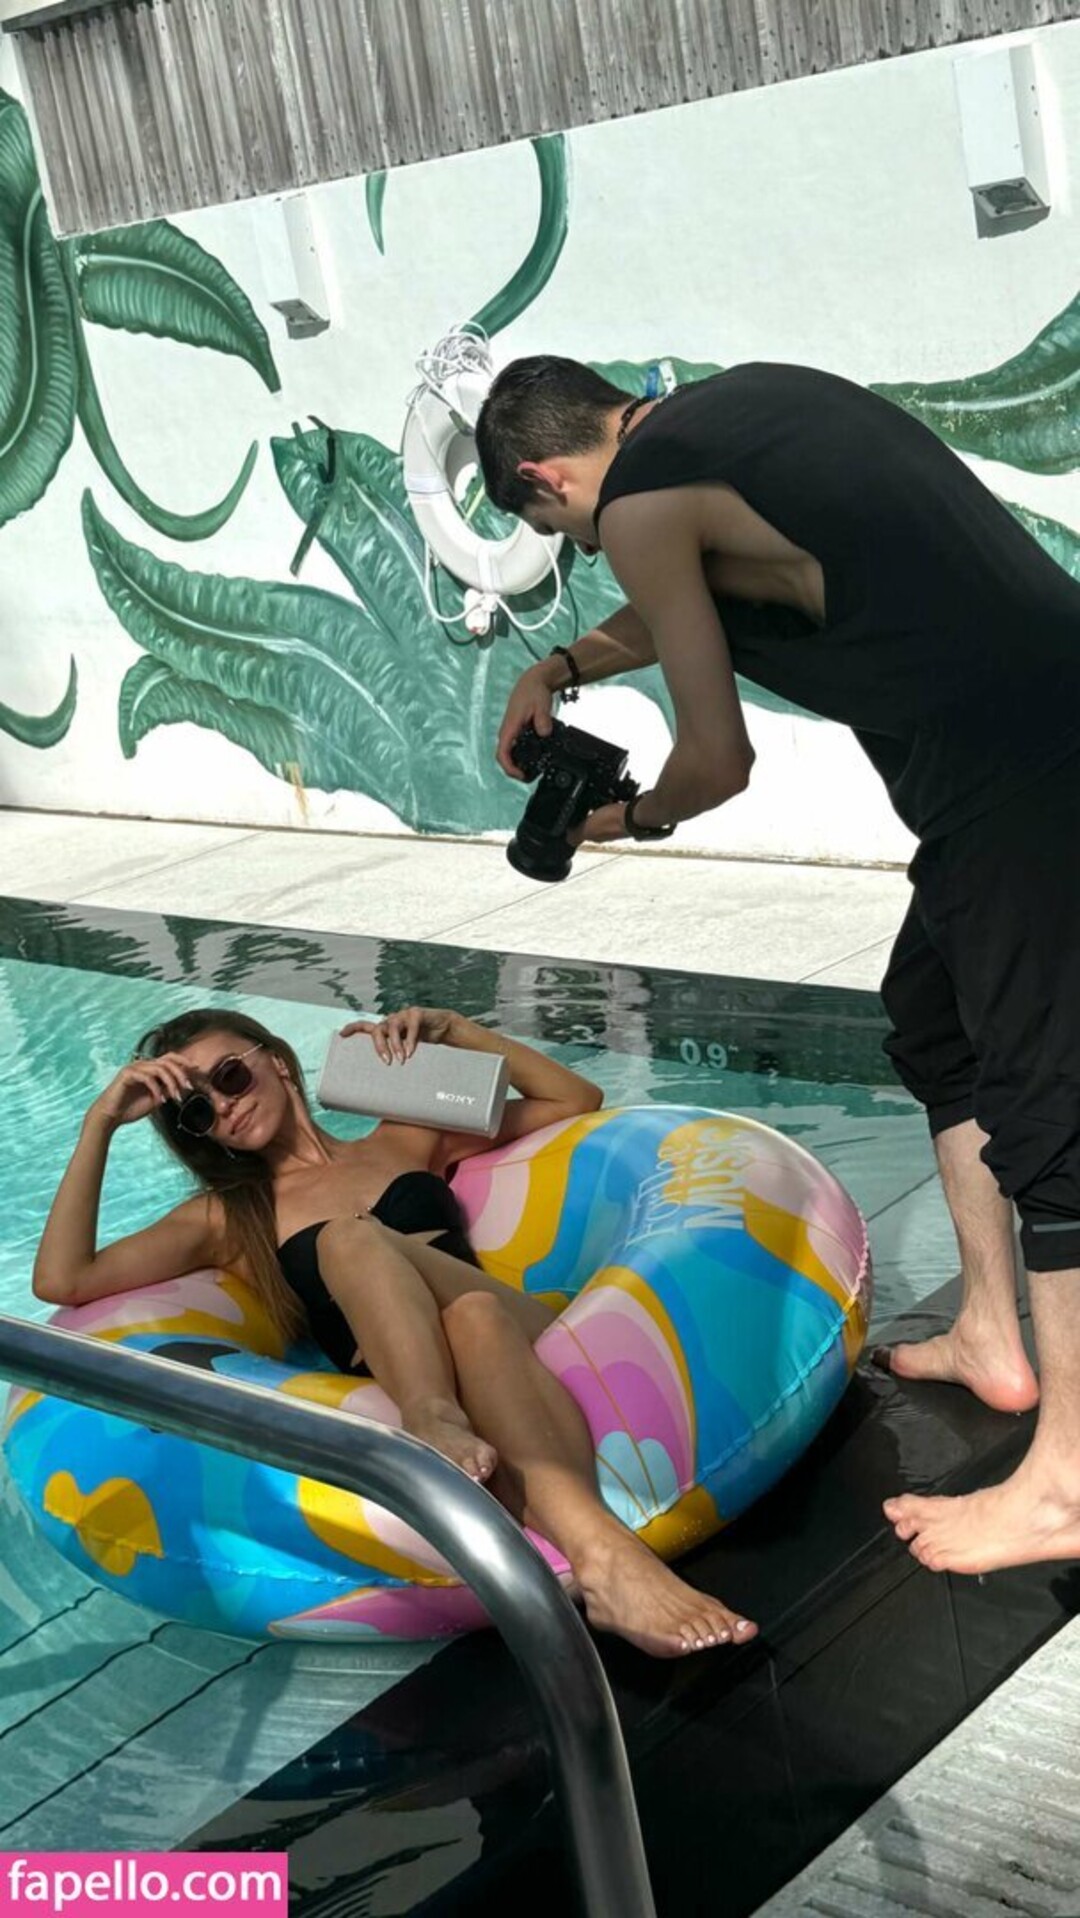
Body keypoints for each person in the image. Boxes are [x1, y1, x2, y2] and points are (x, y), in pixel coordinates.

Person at [476, 355, 1080, 1579]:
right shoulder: (732, 411)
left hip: (1026, 772)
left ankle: (1067, 1483)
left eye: (562, 532)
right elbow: (700, 593)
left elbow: (718, 761)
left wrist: (617, 822)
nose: (591, 551)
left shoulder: (638, 504)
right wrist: (564, 666)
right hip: (1026, 738)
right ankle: (989, 1331)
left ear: (544, 475)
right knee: (934, 1020)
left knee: (1049, 1109)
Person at [32, 1002, 755, 1659]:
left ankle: (432, 1420)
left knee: (368, 1247)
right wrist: (101, 1120)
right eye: (198, 1110)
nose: (223, 1105)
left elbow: (575, 1100)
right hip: (441, 1350)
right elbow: (62, 1280)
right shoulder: (230, 1217)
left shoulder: (403, 1136)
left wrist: (457, 1032)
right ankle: (608, 1564)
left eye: (229, 1076)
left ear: (275, 1061)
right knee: (467, 1318)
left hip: (524, 1329)